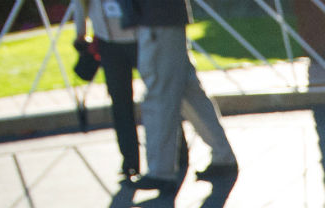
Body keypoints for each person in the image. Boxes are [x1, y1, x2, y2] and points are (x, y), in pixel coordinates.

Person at [131, 0, 238, 196]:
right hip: (162, 19)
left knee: (160, 93)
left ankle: (161, 171)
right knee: (189, 92)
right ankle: (223, 156)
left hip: (158, 20)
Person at [73, 0, 140, 184]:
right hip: (108, 42)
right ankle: (130, 161)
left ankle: (176, 155)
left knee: (161, 95)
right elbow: (80, 4)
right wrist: (80, 34)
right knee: (120, 103)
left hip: (140, 36)